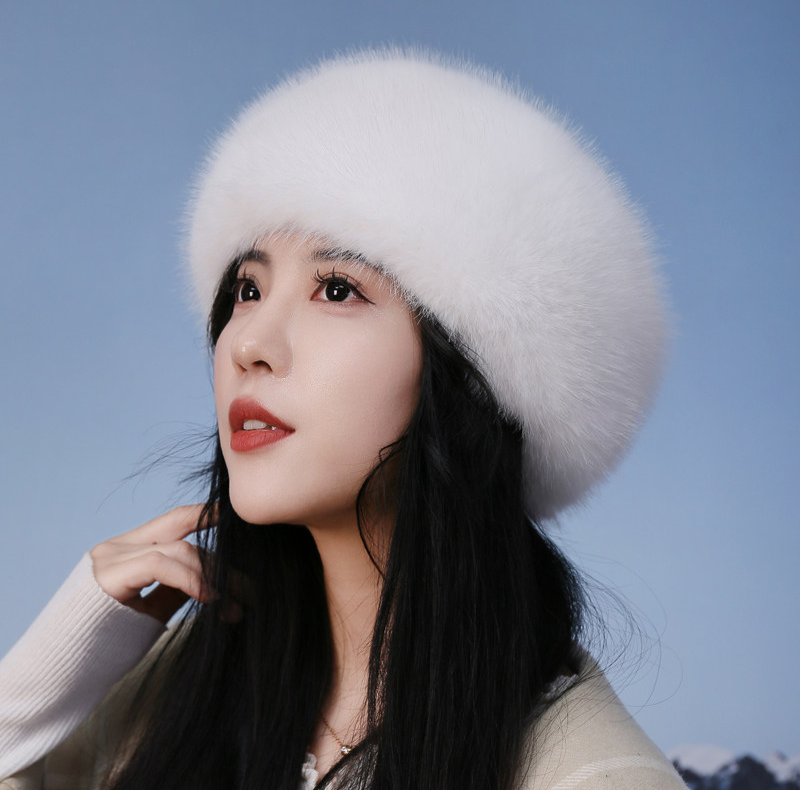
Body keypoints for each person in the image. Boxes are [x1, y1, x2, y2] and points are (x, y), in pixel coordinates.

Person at [0, 49, 687, 789]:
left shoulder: (590, 774)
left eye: (336, 289)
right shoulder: (170, 692)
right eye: (248, 288)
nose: (250, 345)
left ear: (470, 378)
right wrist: (50, 673)